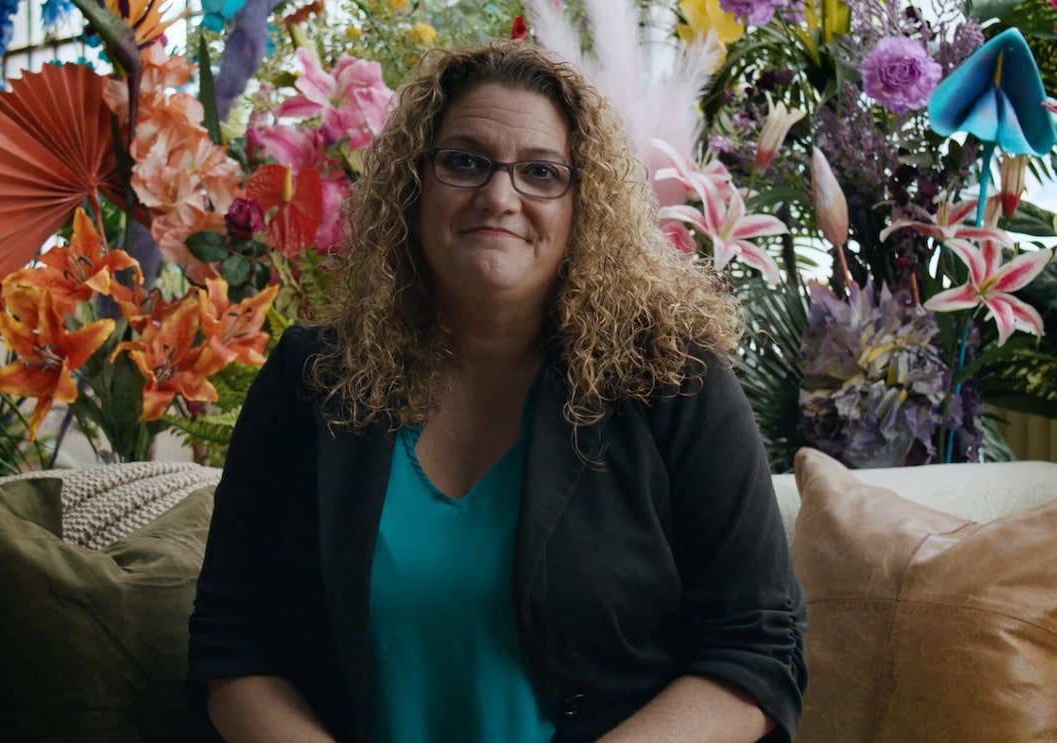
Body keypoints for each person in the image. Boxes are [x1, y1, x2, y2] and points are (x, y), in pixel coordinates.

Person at [187, 40, 808, 743]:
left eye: (541, 172)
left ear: (586, 206)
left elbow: (757, 649)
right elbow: (232, 641)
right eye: (465, 161)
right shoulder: (311, 380)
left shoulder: (674, 384)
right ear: (413, 184)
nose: (499, 196)